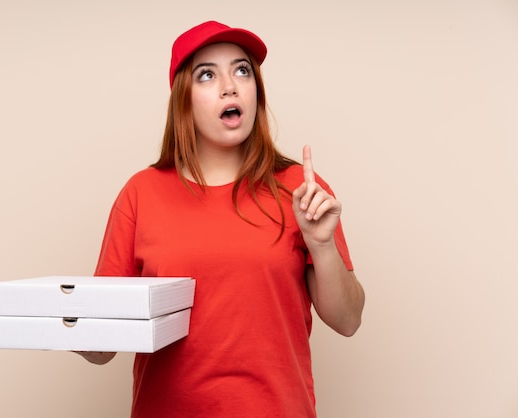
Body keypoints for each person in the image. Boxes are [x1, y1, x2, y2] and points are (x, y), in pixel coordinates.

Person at [77, 20, 365, 418]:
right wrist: (66, 325)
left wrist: (322, 244)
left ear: (256, 92)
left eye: (242, 70)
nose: (230, 85)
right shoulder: (141, 193)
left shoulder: (301, 189)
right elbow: (101, 347)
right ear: (183, 99)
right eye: (207, 75)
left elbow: (348, 320)